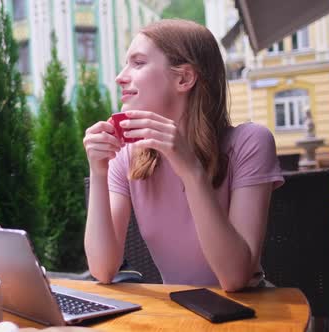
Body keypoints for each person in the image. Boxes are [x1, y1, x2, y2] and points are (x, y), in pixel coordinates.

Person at [82, 19, 284, 291]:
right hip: (181, 310)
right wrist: (98, 172)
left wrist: (191, 171)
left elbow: (234, 278)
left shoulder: (249, 142)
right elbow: (102, 269)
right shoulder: (129, 156)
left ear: (184, 78)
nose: (121, 76)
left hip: (248, 310)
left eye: (138, 63)